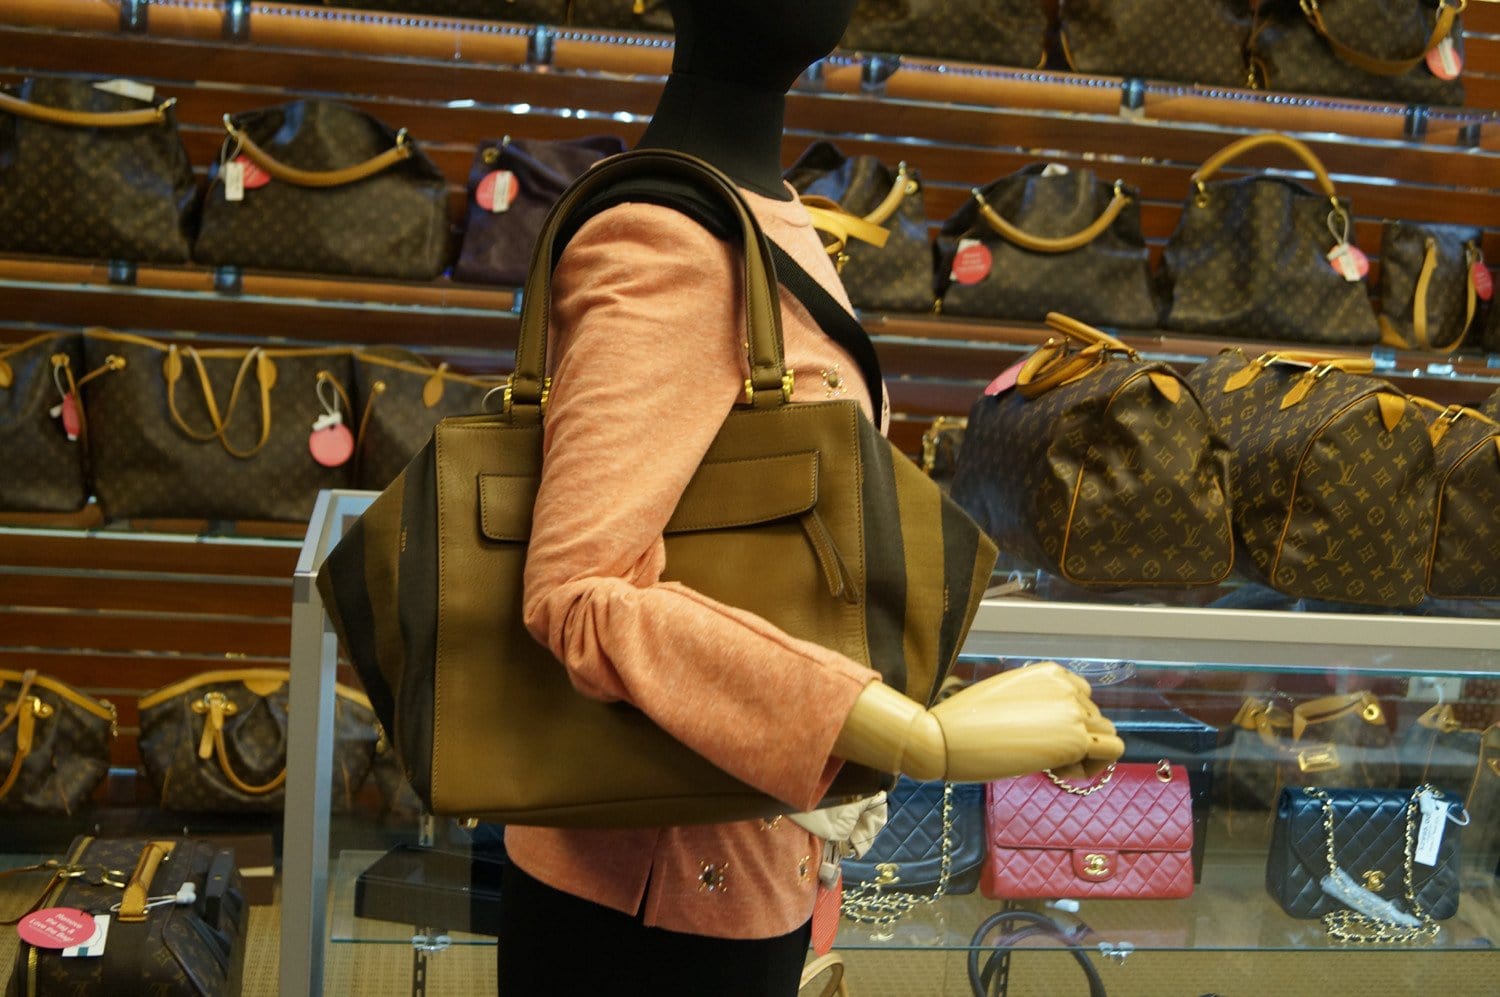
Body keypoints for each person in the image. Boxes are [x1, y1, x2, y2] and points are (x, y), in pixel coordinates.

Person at [498, 1, 1124, 993]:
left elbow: (761, 550)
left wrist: (913, 700)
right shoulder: (662, 240)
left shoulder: (763, 215)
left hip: (749, 866)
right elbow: (577, 594)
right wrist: (917, 739)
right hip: (647, 902)